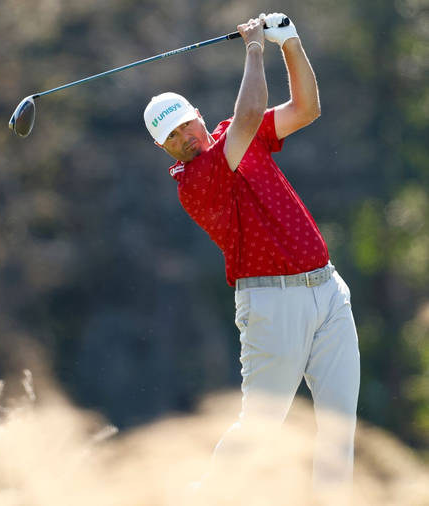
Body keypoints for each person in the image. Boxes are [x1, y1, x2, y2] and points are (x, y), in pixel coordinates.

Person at [142, 13, 361, 495]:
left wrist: (289, 43)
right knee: (261, 429)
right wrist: (256, 48)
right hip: (271, 304)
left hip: (327, 289)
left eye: (184, 126)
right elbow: (247, 116)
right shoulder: (195, 180)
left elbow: (306, 109)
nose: (185, 139)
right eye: (172, 139)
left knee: (340, 428)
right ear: (166, 151)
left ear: (197, 115)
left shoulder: (233, 135)